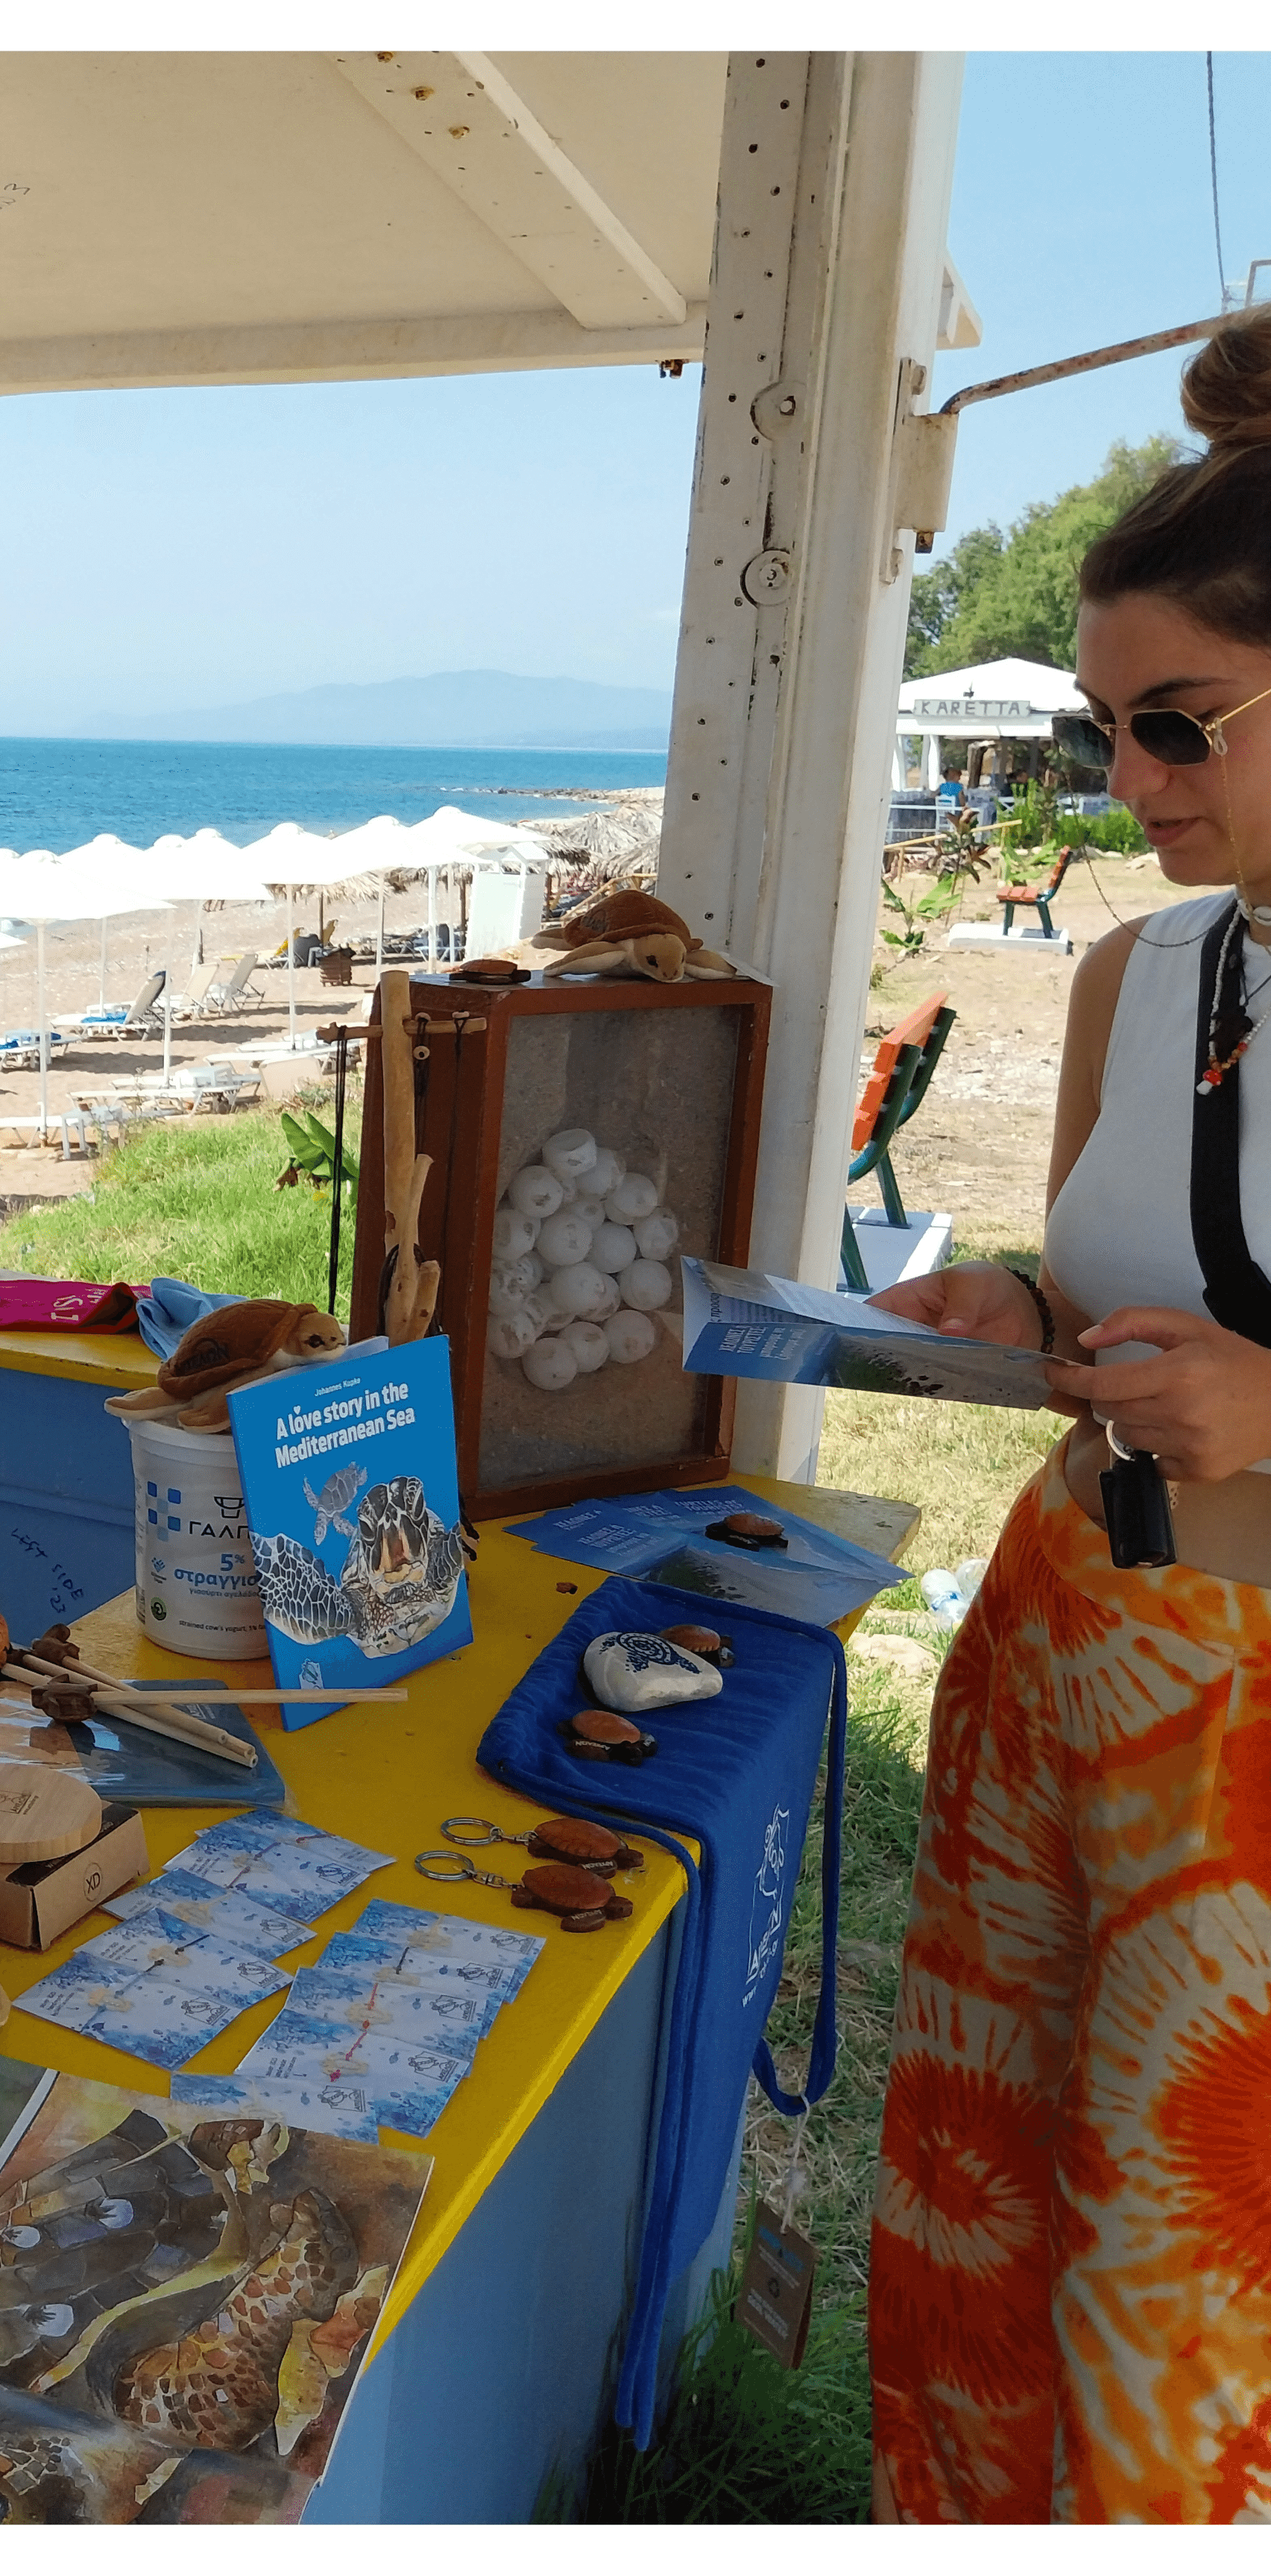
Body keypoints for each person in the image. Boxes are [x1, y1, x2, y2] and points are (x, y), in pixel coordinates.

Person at [858, 313, 1271, 2520]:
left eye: (1181, 725)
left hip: (1259, 1767)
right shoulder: (1147, 970)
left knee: (1193, 2298)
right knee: (987, 2216)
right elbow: (1105, 1278)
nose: (1131, 785)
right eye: (1116, 730)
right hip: (1064, 1661)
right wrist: (1014, 1301)